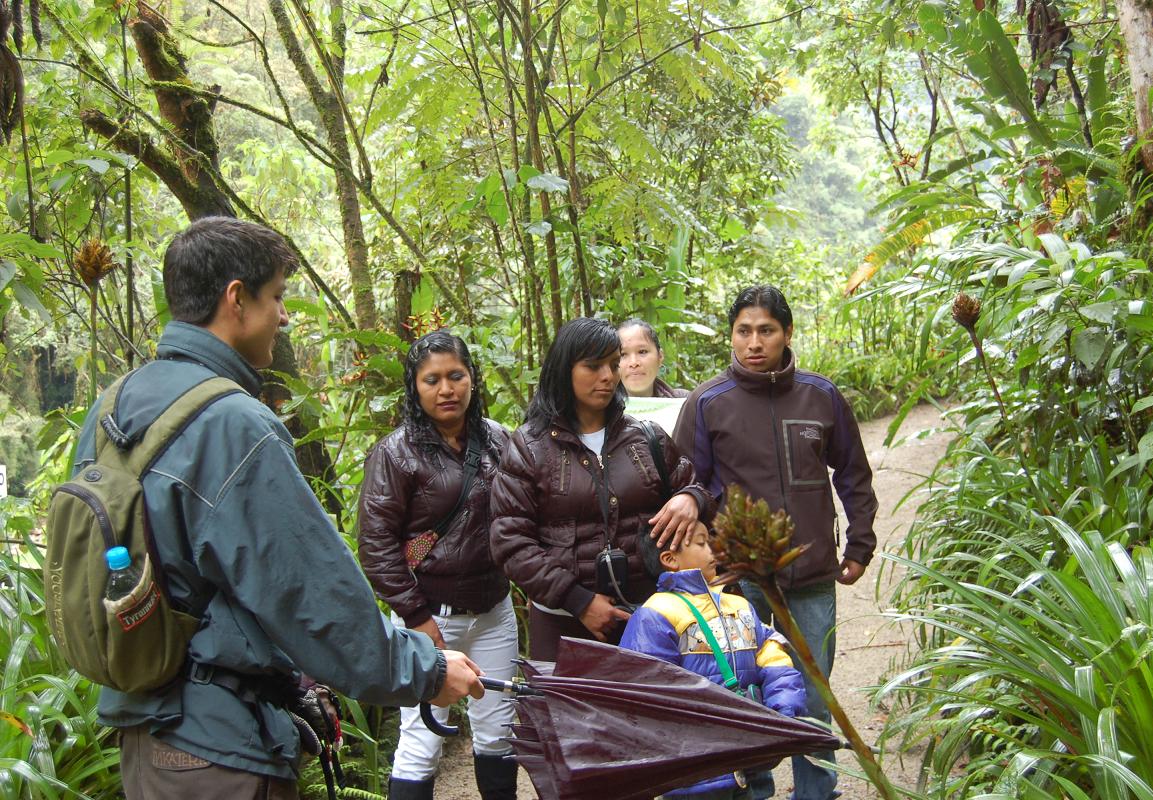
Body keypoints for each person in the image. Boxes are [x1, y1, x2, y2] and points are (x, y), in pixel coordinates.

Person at [70, 217, 483, 800]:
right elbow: (309, 592)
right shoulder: (233, 424)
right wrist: (428, 670)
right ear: (236, 299)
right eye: (278, 297)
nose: (284, 316)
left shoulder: (115, 405)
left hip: (147, 736)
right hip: (219, 748)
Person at [673, 285, 879, 800]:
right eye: (744, 331)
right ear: (732, 337)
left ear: (787, 334)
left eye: (766, 330)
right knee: (746, 693)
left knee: (814, 694)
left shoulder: (821, 396)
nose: (754, 342)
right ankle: (755, 791)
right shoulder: (707, 403)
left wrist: (859, 545)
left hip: (809, 577)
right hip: (736, 583)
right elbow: (684, 488)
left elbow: (853, 474)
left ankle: (816, 793)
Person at [490, 317, 715, 661]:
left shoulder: (646, 436)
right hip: (563, 624)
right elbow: (510, 541)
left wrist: (692, 498)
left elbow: (694, 488)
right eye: (593, 366)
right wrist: (578, 601)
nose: (609, 376)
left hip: (654, 620)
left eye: (613, 364)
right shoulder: (529, 446)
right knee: (568, 714)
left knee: (649, 713)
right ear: (564, 368)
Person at [357, 331, 518, 800]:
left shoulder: (500, 441)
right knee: (422, 739)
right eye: (432, 380)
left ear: (471, 378)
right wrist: (417, 618)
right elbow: (377, 545)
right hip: (427, 615)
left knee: (498, 733)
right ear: (415, 387)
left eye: (455, 376)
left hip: (493, 612)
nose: (446, 389)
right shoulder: (395, 452)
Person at [621, 521, 806, 800]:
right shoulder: (656, 614)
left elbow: (771, 655)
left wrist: (784, 708)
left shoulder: (738, 605)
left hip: (746, 756)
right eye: (701, 542)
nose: (714, 550)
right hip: (695, 769)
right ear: (670, 560)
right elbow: (647, 689)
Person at [618, 318, 689, 398]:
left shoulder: (685, 401)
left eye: (642, 352)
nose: (633, 363)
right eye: (623, 354)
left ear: (660, 356)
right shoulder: (602, 406)